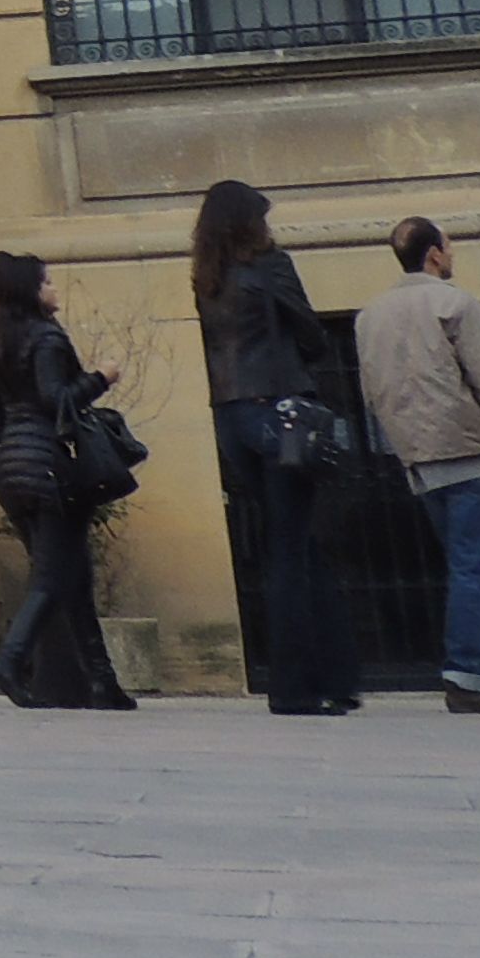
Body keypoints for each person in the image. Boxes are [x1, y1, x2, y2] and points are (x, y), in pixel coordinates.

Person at [191, 177, 361, 716]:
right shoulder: (271, 267)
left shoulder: (208, 279)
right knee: (292, 552)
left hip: (231, 417)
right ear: (250, 222)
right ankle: (294, 689)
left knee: (292, 546)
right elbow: (311, 335)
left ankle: (335, 675)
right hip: (278, 414)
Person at [360, 216, 480, 710]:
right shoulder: (455, 303)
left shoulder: (369, 315)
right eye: (448, 247)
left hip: (416, 456)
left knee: (468, 564)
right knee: (471, 566)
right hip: (468, 450)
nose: (451, 255)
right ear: (434, 254)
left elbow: (372, 393)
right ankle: (465, 674)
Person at [0, 252, 136, 709]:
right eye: (48, 281)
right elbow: (56, 399)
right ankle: (10, 661)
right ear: (31, 290)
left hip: (5, 461)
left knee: (71, 571)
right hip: (46, 459)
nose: (54, 287)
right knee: (54, 572)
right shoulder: (44, 336)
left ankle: (102, 681)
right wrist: (102, 377)